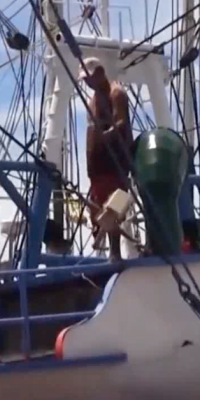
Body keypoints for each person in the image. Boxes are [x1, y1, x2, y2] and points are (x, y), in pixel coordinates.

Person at [80, 57, 133, 261]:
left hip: (114, 163)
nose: (87, 83)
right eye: (85, 80)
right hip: (97, 167)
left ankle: (115, 253)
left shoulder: (116, 93)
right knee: (97, 208)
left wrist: (106, 136)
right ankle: (101, 249)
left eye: (90, 78)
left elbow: (121, 123)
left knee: (113, 208)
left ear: (100, 73)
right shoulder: (94, 99)